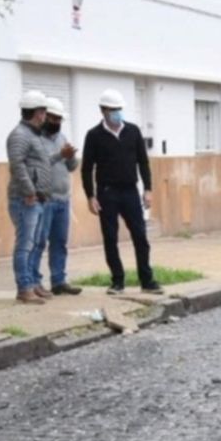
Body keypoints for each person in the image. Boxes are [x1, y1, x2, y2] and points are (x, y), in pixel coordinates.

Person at [81, 89, 162, 295]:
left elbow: (143, 162)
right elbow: (87, 168)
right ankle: (117, 281)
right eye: (112, 110)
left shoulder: (133, 131)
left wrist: (148, 189)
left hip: (130, 191)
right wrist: (90, 196)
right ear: (103, 111)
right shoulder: (94, 135)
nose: (117, 113)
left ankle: (147, 280)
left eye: (119, 109)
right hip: (107, 193)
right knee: (110, 237)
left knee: (140, 236)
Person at [29, 97, 83, 296]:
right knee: (39, 242)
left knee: (59, 242)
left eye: (60, 119)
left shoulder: (61, 137)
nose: (57, 123)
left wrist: (71, 157)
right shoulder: (35, 139)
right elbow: (38, 166)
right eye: (53, 118)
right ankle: (34, 282)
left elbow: (71, 167)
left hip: (62, 199)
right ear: (43, 116)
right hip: (44, 200)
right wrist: (60, 155)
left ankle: (59, 281)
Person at [6, 90, 51, 305]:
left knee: (36, 243)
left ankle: (32, 283)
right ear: (36, 112)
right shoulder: (19, 135)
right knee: (25, 244)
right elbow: (17, 164)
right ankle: (24, 287)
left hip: (39, 198)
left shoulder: (34, 135)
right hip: (26, 200)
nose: (45, 116)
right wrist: (29, 191)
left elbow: (40, 163)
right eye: (43, 111)